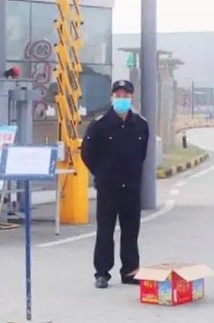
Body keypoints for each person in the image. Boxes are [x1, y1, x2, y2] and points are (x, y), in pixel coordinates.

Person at [80, 79, 150, 289]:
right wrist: (102, 173)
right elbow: (87, 154)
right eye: (118, 96)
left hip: (131, 187)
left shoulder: (140, 124)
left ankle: (130, 270)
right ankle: (102, 273)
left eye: (126, 96)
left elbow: (142, 154)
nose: (122, 99)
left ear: (131, 98)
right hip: (108, 187)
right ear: (111, 98)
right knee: (105, 231)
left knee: (131, 231)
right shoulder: (100, 124)